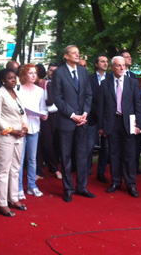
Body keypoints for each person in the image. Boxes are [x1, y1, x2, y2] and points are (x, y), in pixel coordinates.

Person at [52, 45, 94, 203]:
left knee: (82, 156)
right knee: (66, 156)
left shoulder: (83, 71)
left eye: (78, 52)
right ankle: (68, 189)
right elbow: (57, 97)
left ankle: (82, 187)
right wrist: (72, 115)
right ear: (66, 56)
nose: (77, 55)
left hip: (82, 120)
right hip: (66, 121)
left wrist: (84, 113)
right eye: (74, 53)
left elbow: (89, 94)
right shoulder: (59, 73)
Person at [98, 56, 141, 198]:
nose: (122, 68)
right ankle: (116, 182)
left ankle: (131, 184)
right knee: (114, 154)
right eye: (118, 65)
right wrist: (101, 126)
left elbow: (138, 105)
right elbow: (101, 106)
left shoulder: (132, 83)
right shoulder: (105, 83)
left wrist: (139, 125)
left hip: (129, 122)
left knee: (129, 154)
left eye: (124, 65)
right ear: (112, 67)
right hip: (112, 123)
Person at [0, 69, 28, 217]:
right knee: (3, 171)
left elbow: (22, 112)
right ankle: (2, 203)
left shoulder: (17, 93)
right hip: (5, 137)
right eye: (10, 78)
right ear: (3, 80)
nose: (13, 80)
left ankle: (13, 198)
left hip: (19, 136)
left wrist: (25, 127)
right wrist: (12, 131)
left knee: (15, 168)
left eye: (14, 78)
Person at [17, 63, 48, 199]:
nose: (34, 75)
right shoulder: (18, 90)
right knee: (20, 159)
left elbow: (43, 108)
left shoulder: (40, 90)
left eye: (35, 72)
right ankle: (18, 188)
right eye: (30, 73)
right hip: (21, 127)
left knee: (32, 159)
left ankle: (32, 186)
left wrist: (44, 114)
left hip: (34, 126)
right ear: (24, 75)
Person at [36, 64, 61, 180]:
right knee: (38, 145)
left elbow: (51, 101)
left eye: (33, 73)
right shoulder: (31, 86)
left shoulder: (48, 84)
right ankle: (39, 172)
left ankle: (55, 168)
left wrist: (35, 103)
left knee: (47, 144)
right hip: (36, 117)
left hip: (48, 118)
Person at [88, 54, 109, 182]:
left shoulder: (111, 78)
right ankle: (86, 169)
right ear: (96, 64)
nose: (105, 63)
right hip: (92, 116)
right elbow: (86, 97)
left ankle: (101, 172)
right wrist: (95, 111)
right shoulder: (89, 78)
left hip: (106, 118)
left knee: (106, 146)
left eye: (107, 61)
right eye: (102, 61)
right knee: (89, 145)